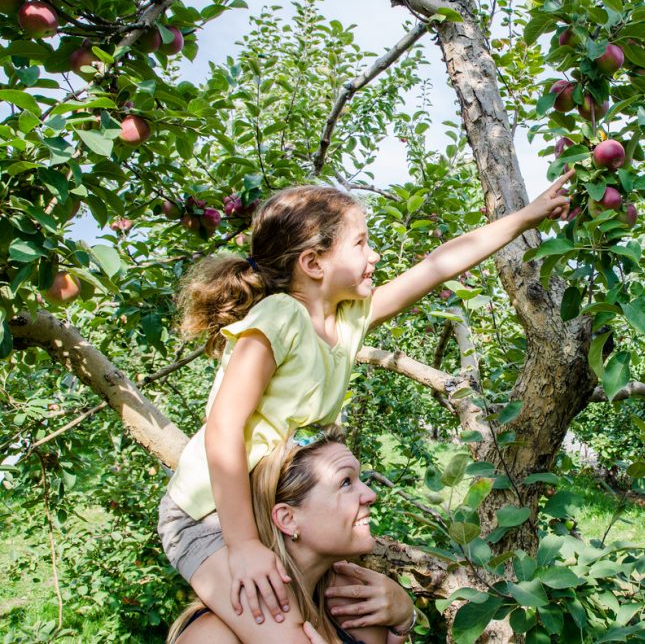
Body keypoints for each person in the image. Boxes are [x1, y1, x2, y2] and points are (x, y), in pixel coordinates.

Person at [159, 176, 573, 643]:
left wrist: (526, 215)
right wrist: (244, 546)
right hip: (209, 519)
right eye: (361, 243)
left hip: (273, 512)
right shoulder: (280, 317)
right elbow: (222, 430)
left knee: (363, 622)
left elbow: (438, 265)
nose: (374, 255)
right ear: (313, 263)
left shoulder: (348, 319)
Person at [168, 426, 415, 643]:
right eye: (345, 483)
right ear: (288, 519)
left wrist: (404, 621)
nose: (371, 495)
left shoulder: (353, 608)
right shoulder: (214, 637)